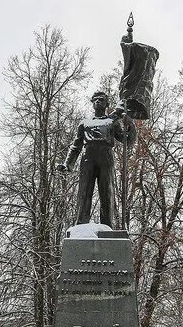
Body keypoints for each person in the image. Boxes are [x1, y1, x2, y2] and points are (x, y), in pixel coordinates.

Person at [57, 91, 133, 227]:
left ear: (106, 104)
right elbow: (76, 145)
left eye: (101, 99)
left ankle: (107, 225)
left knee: (107, 192)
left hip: (106, 157)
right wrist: (67, 164)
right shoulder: (84, 123)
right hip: (88, 157)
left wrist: (130, 126)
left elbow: (126, 141)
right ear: (92, 103)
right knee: (84, 192)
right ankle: (81, 225)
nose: (98, 101)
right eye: (95, 100)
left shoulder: (111, 122)